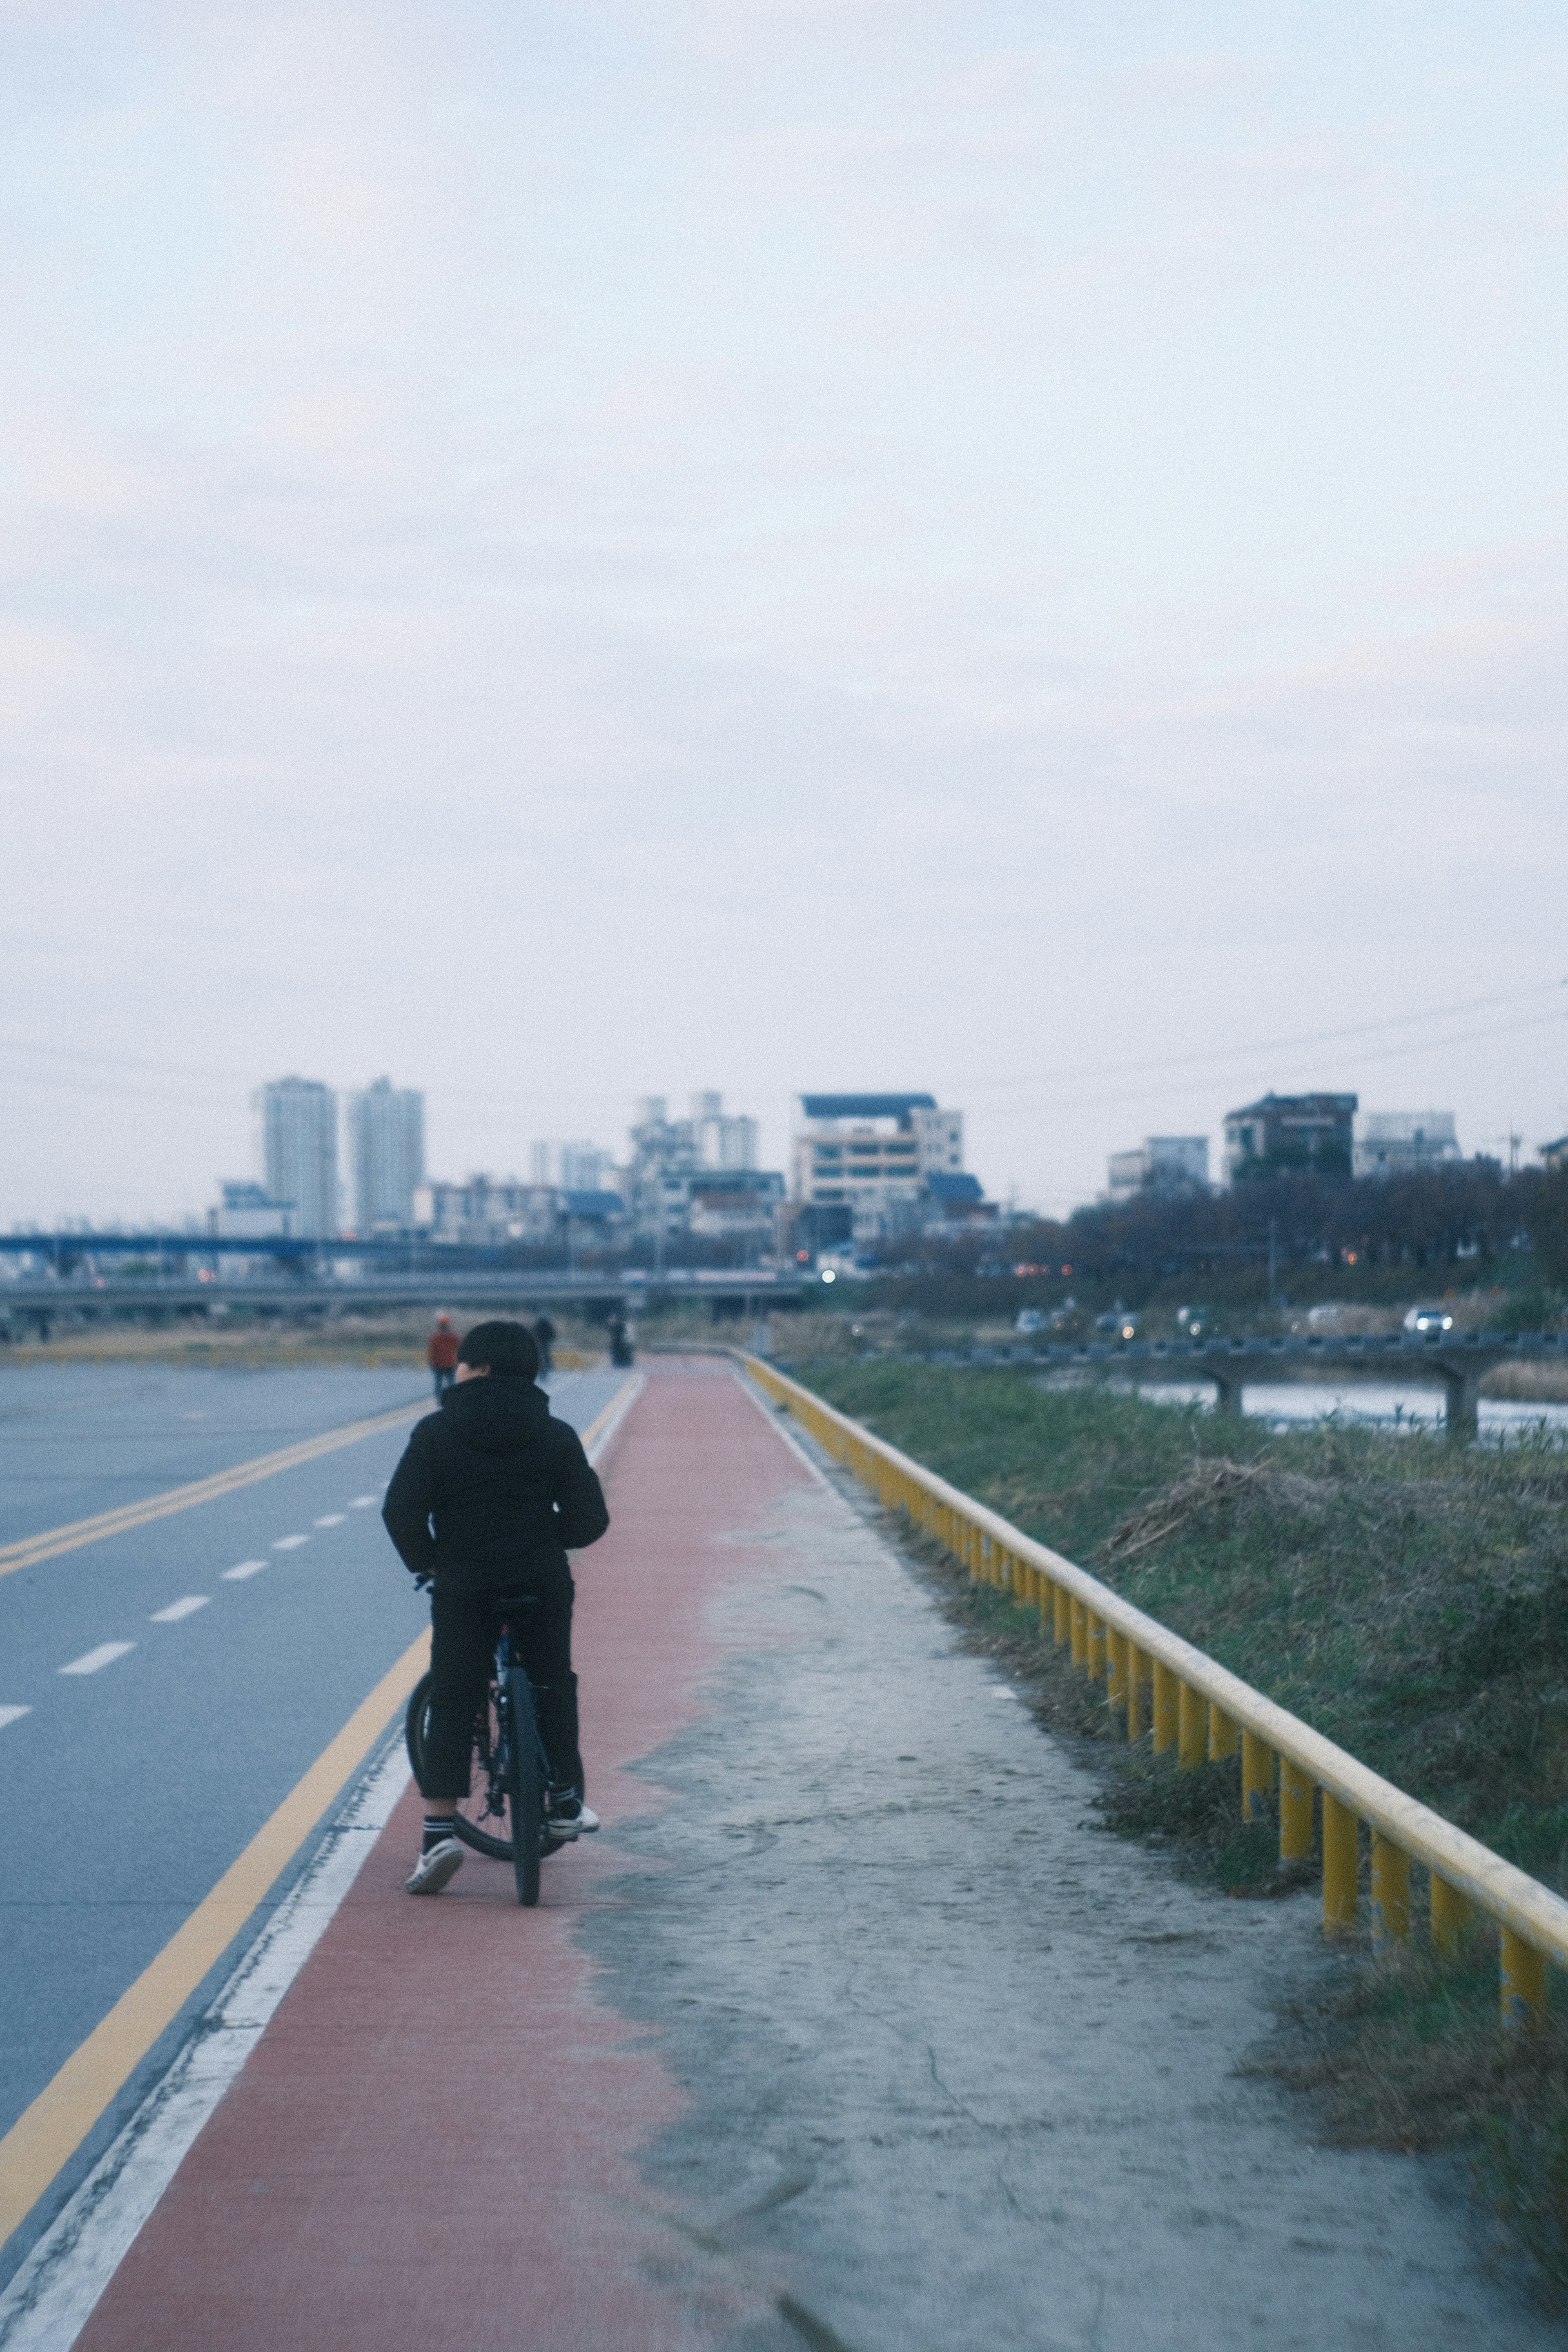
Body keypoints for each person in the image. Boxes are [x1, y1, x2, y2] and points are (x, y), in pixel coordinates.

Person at [381, 1318, 610, 1896]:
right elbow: (590, 1521)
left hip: (464, 1582)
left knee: (456, 1693)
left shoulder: (436, 1432)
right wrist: (539, 1535)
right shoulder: (555, 1433)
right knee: (553, 1681)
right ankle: (563, 1800)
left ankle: (438, 1835)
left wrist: (432, 1562)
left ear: (478, 1368)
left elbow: (400, 1512)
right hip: (539, 1579)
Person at [426, 1313, 460, 1400]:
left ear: (439, 1325)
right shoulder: (453, 1337)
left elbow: (431, 1352)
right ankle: (452, 1399)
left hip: (438, 1365)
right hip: (450, 1364)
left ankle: (440, 1401)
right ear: (448, 1325)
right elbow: (460, 1348)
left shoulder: (435, 1338)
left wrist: (431, 1363)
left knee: (439, 1384)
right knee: (451, 1384)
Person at [532, 1314, 556, 1378]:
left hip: (542, 1343)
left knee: (542, 1356)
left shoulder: (538, 1325)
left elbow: (533, 1333)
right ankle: (546, 1368)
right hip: (543, 1343)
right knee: (545, 1356)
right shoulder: (546, 1325)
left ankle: (544, 1369)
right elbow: (553, 1334)